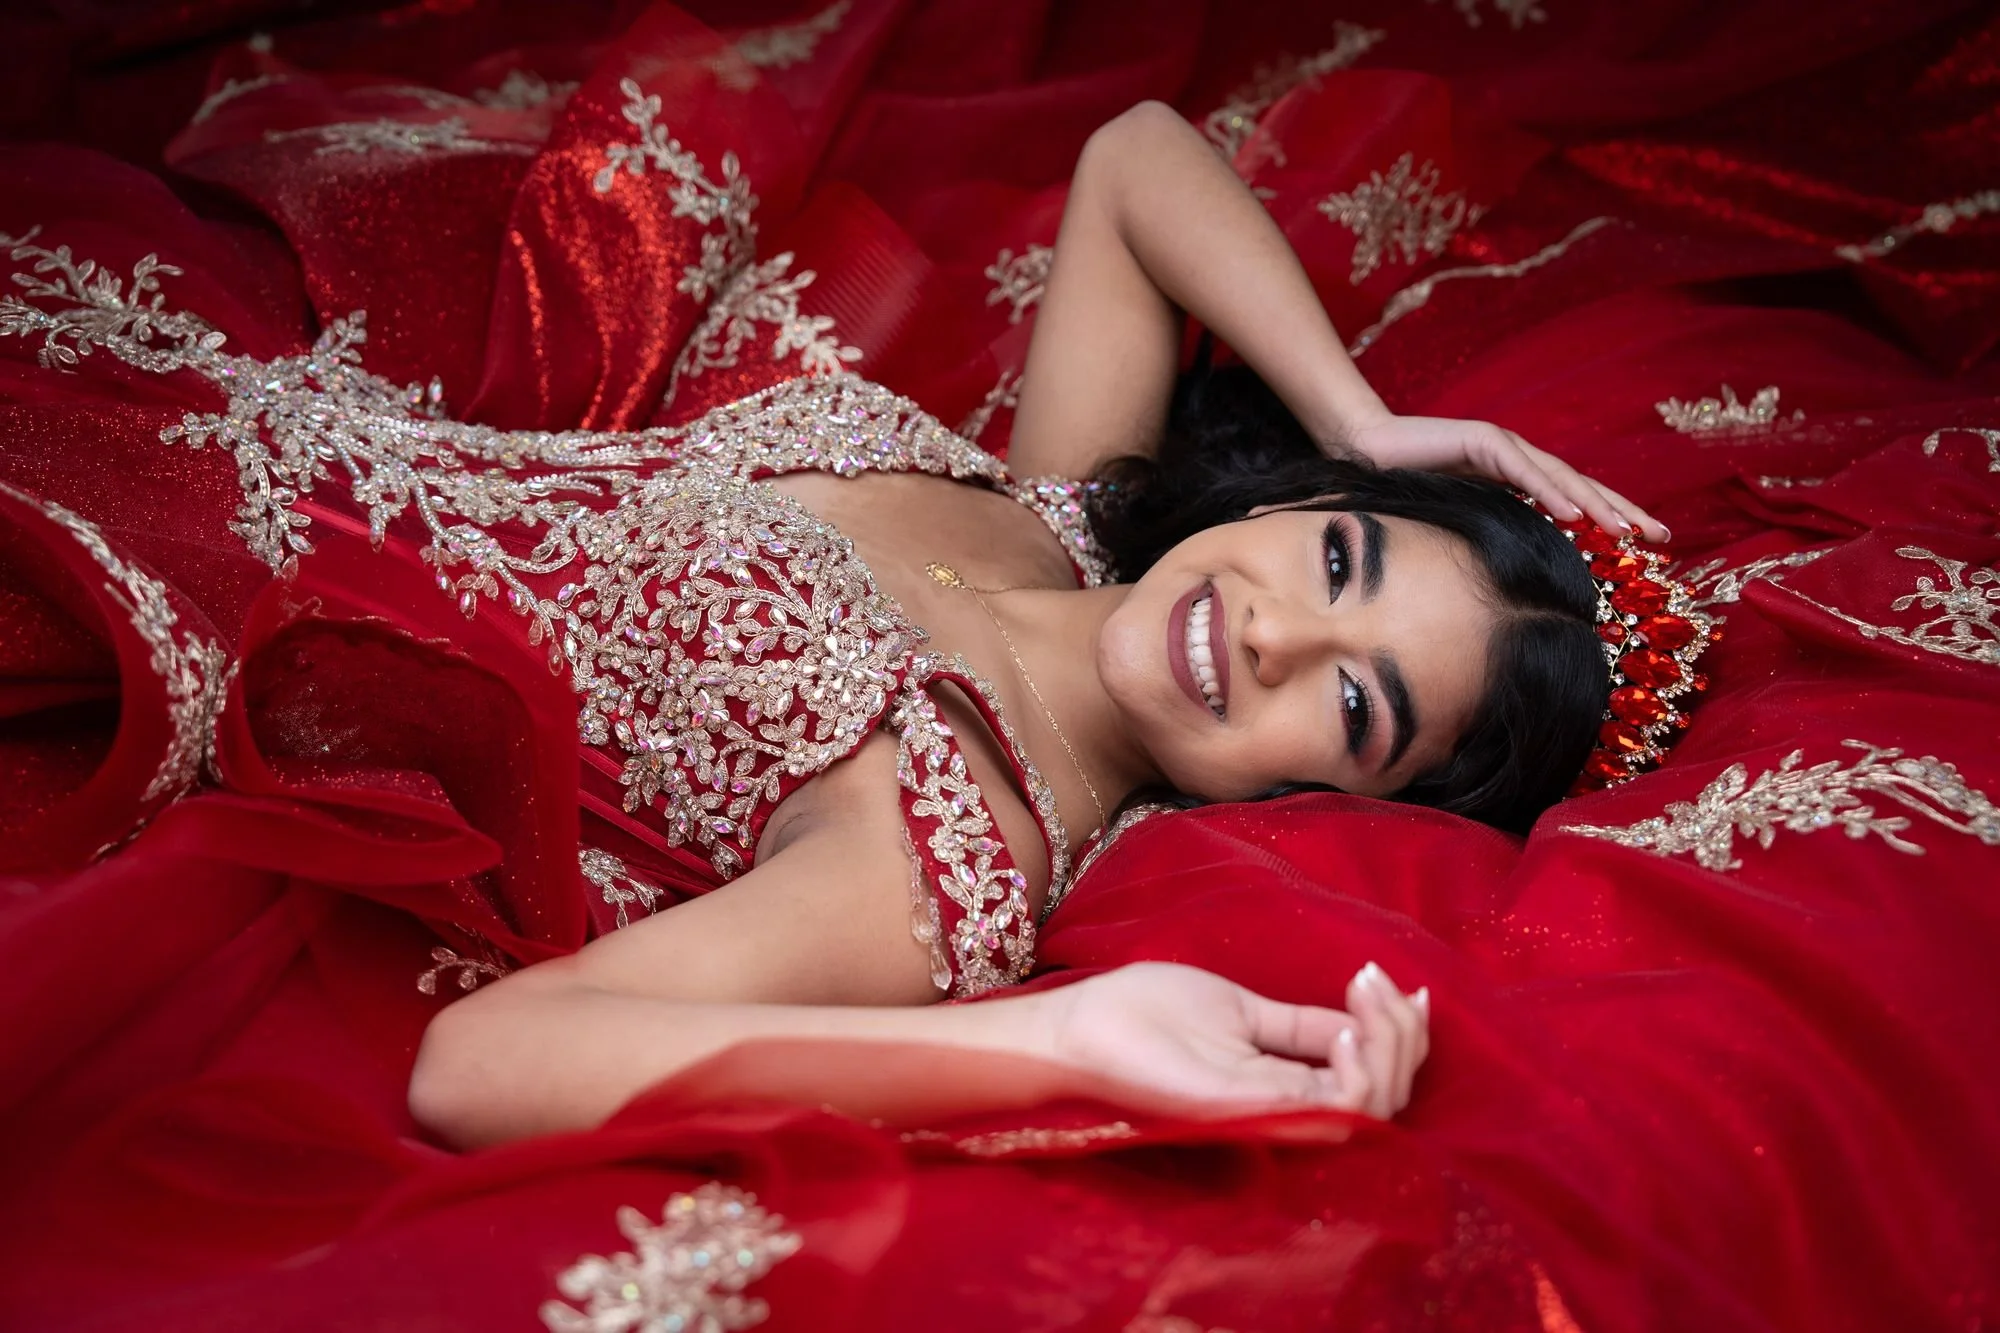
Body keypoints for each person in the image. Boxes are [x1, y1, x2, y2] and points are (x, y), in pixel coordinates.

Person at [383, 102, 1664, 1149]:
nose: (1275, 637)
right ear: (1303, 500)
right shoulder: (1063, 513)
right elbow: (1134, 158)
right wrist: (1359, 423)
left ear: (1332, 802)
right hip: (329, 428)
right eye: (1336, 559)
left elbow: (478, 1064)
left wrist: (1055, 1041)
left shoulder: (950, 843)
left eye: (1350, 704)